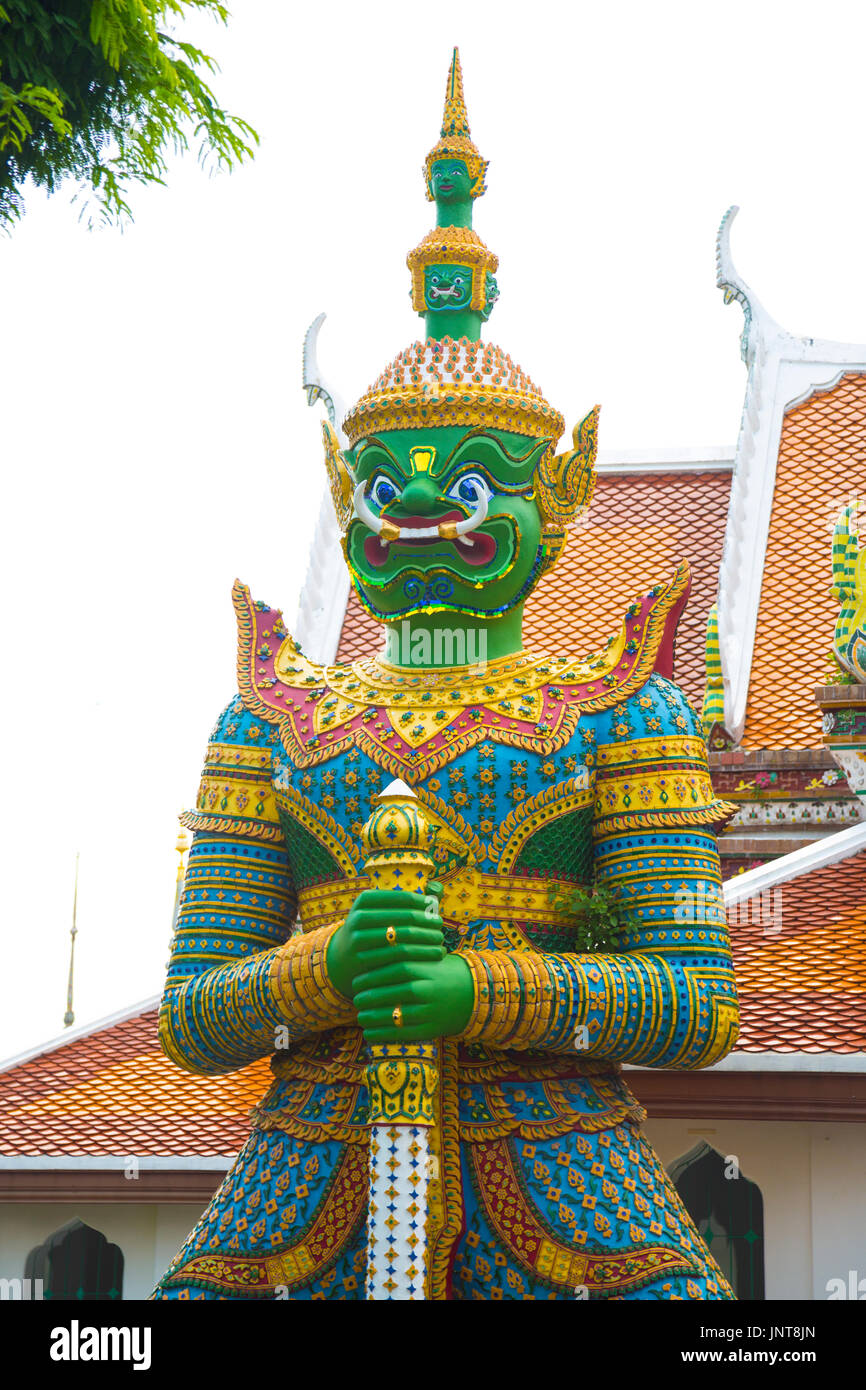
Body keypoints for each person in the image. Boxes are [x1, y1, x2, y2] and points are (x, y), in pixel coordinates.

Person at [152, 50, 738, 1302]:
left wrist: (474, 987)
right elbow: (193, 1018)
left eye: (466, 481)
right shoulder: (270, 721)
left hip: (569, 1159)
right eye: (384, 483)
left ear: (558, 497)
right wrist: (328, 968)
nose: (417, 502)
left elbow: (692, 1004)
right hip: (307, 1158)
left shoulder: (623, 707)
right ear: (343, 494)